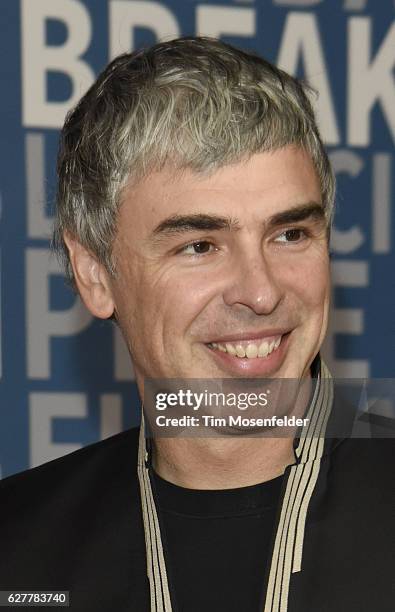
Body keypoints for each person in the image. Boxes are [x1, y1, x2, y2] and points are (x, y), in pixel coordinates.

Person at [0, 37, 393, 612]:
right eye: (200, 245)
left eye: (290, 234)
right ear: (95, 274)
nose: (260, 292)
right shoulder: (17, 542)